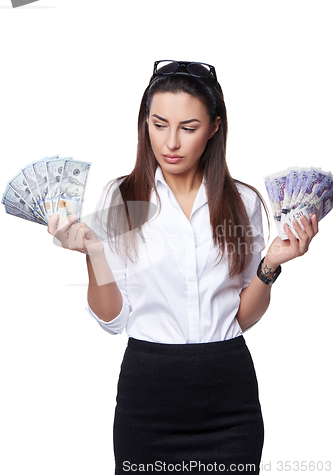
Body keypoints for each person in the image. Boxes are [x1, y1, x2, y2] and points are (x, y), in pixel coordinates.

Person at [47, 60, 319, 474]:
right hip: (148, 397)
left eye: (188, 128)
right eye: (159, 124)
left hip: (229, 398)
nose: (170, 142)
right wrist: (95, 254)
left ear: (213, 128)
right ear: (145, 124)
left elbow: (241, 317)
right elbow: (112, 320)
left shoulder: (243, 203)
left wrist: (269, 267)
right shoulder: (121, 197)